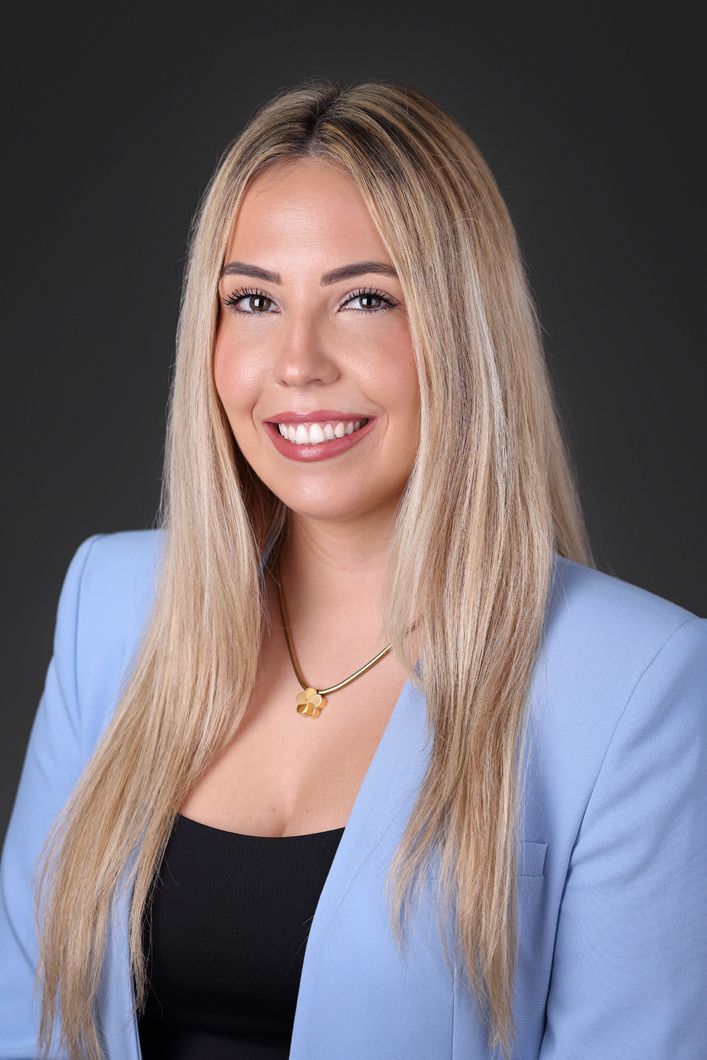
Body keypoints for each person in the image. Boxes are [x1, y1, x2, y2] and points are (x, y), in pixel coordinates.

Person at [1, 78, 705, 1060]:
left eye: (363, 299)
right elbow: (25, 1015)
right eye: (251, 300)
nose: (296, 361)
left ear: (459, 333)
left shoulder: (638, 679)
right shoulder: (109, 606)